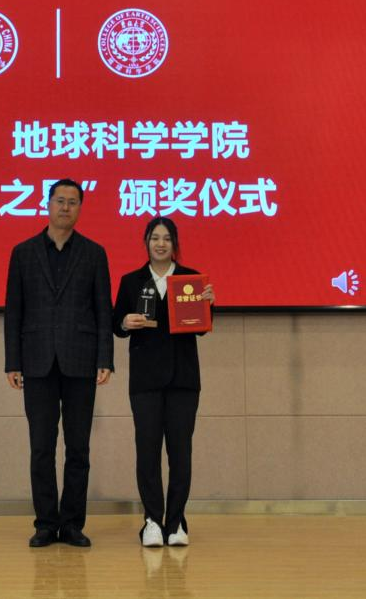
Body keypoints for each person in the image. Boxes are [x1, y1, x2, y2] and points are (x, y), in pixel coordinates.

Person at [4, 178, 114, 548]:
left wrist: (105, 357)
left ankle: (72, 524)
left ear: (80, 208)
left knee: (78, 449)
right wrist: (12, 362)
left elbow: (103, 310)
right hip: (36, 362)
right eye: (60, 200)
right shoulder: (23, 253)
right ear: (48, 204)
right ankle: (45, 524)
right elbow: (14, 311)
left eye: (72, 202)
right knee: (41, 448)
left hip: (81, 360)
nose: (65, 207)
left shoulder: (94, 253)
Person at [113, 216, 214, 547]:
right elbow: (116, 324)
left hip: (183, 379)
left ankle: (176, 522)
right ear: (146, 242)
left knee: (180, 453)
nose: (160, 244)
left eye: (167, 238)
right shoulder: (131, 281)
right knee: (147, 451)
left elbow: (201, 327)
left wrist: (208, 304)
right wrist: (125, 322)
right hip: (145, 381)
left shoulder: (190, 279)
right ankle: (152, 521)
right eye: (155, 237)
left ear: (175, 244)